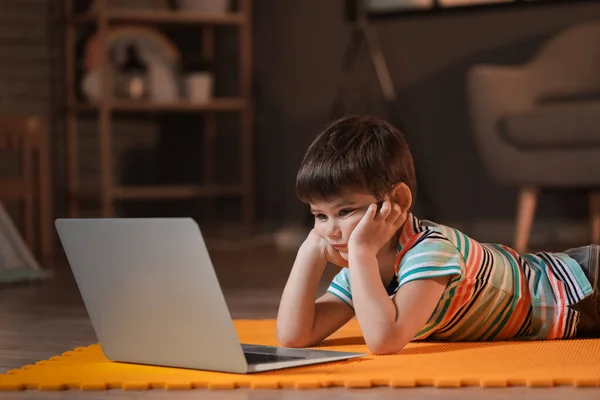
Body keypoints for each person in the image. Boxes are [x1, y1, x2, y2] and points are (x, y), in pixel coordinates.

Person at [276, 115, 600, 355]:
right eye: (319, 215)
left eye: (345, 212)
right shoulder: (365, 270)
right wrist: (308, 253)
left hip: (583, 287)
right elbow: (294, 336)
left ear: (398, 202)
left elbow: (384, 340)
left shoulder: (429, 250)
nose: (330, 230)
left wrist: (359, 254)